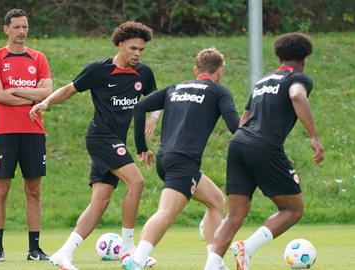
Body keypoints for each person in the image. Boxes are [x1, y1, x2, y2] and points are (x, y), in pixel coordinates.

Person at [29, 21, 160, 270]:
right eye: (133, 48)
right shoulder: (99, 70)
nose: (137, 54)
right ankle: (128, 249)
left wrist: (154, 116)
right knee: (137, 181)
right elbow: (70, 89)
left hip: (115, 141)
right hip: (100, 138)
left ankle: (63, 254)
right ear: (120, 44)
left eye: (141, 50)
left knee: (100, 200)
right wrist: (46, 102)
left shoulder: (144, 73)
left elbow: (157, 99)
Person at [205, 32, 325, 270]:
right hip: (261, 146)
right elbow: (297, 96)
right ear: (304, 58)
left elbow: (246, 116)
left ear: (279, 56)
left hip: (239, 144)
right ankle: (246, 248)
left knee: (235, 213)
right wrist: (314, 136)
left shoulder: (263, 81)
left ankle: (212, 265)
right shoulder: (298, 79)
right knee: (293, 209)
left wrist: (256, 148)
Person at [121, 48, 239, 270]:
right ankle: (136, 260)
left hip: (167, 159)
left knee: (216, 201)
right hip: (183, 162)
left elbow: (140, 106)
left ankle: (215, 263)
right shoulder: (218, 91)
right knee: (167, 213)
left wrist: (141, 147)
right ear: (220, 71)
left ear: (196, 70)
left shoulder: (175, 88)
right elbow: (235, 126)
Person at [0, 8, 53, 262]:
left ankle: (34, 250)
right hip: (4, 132)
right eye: (16, 27)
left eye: (25, 27)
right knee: (1, 189)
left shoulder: (38, 58)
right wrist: (31, 94)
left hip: (34, 132)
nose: (22, 32)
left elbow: (47, 93)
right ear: (6, 29)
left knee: (34, 190)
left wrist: (15, 91)